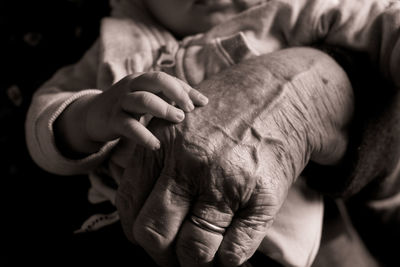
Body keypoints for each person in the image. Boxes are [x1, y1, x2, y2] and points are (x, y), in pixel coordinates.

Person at [25, 0, 399, 266]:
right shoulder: (119, 37)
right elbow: (45, 122)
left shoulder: (296, 11)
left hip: (258, 245)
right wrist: (91, 116)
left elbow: (383, 22)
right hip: (124, 226)